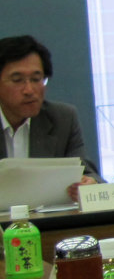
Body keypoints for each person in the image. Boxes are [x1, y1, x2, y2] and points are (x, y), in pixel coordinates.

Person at [0, 34, 102, 202]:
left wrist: (90, 184)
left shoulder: (62, 118)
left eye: (36, 79)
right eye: (17, 80)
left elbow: (87, 173)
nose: (29, 90)